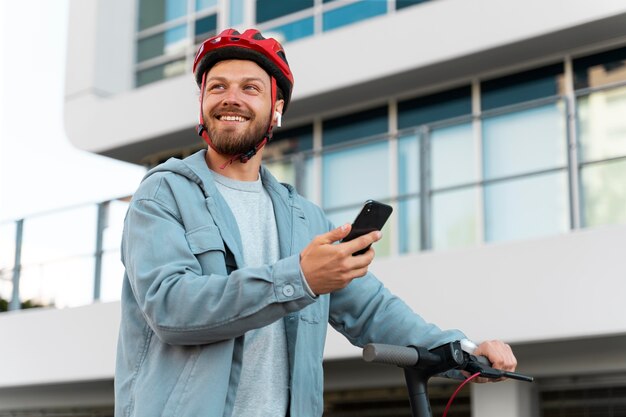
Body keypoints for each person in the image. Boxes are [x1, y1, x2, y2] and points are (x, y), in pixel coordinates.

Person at [114, 28, 517, 417]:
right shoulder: (163, 195)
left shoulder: (304, 217)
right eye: (217, 87)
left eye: (250, 88)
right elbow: (171, 308)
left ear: (276, 109)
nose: (230, 99)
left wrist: (461, 351)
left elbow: (372, 310)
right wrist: (299, 278)